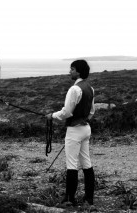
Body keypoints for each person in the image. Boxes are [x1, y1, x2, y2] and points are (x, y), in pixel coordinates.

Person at [46, 60, 95, 207]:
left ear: (78, 72)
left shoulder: (74, 90)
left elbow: (67, 112)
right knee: (87, 163)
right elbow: (92, 112)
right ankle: (89, 198)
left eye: (72, 69)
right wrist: (83, 119)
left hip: (74, 131)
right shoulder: (90, 88)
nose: (70, 72)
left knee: (72, 164)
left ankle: (69, 199)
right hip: (86, 128)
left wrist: (52, 116)